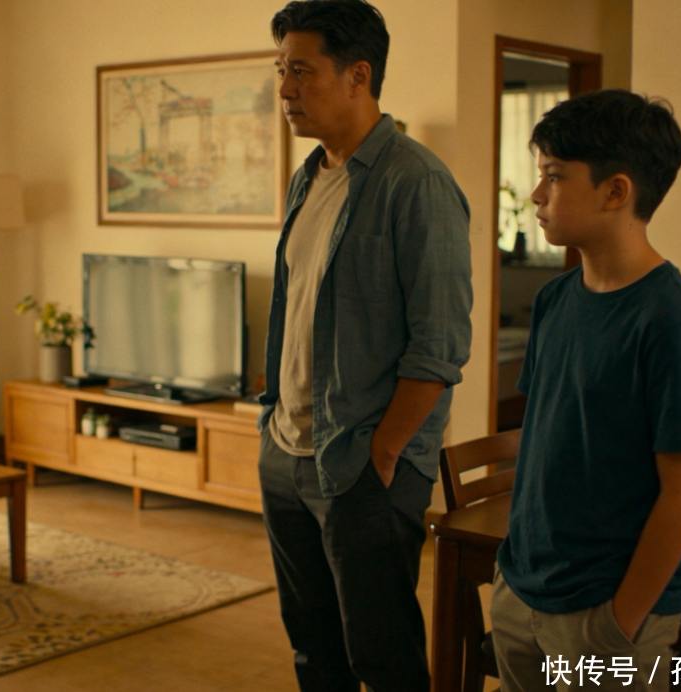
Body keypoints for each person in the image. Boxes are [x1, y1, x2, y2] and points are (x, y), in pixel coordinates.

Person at [257, 1, 473, 690]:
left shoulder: (417, 182)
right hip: (286, 452)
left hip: (362, 465)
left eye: (301, 71)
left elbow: (438, 347)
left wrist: (382, 456)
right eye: (280, 69)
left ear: (358, 75)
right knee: (313, 652)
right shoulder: (308, 177)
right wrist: (272, 426)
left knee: (383, 660)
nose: (284, 88)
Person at [491, 89, 681, 692]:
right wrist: (513, 573)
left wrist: (619, 622)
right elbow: (544, 442)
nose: (536, 194)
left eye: (554, 176)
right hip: (523, 589)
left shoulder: (670, 320)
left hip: (603, 610)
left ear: (616, 191)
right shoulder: (554, 299)